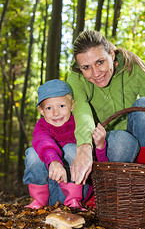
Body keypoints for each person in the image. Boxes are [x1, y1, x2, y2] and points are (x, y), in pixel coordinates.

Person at [67, 30, 145, 185]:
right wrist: (84, 146)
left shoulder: (134, 68)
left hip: (141, 143)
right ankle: (113, 189)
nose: (96, 73)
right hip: (107, 146)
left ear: (111, 55)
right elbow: (81, 112)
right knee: (122, 141)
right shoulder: (75, 78)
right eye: (86, 67)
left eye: (100, 62)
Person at [23, 79, 107, 210]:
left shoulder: (80, 124)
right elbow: (44, 142)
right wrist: (53, 161)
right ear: (41, 110)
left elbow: (100, 165)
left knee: (71, 149)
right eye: (49, 108)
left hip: (78, 191)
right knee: (33, 153)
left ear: (72, 105)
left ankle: (73, 201)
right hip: (49, 192)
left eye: (61, 106)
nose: (56, 113)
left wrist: (100, 146)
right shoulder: (41, 126)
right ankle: (38, 200)